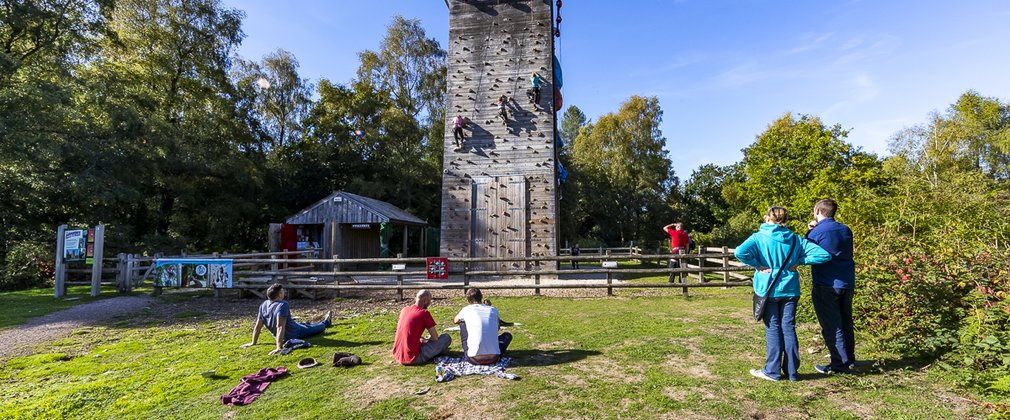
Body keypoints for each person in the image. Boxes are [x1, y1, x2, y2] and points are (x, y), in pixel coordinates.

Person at [735, 206, 831, 382]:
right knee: (788, 328)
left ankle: (772, 371)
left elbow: (739, 252)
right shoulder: (795, 239)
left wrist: (757, 265)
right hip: (790, 289)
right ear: (785, 220)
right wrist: (799, 261)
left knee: (773, 329)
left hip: (768, 288)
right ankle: (792, 371)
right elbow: (823, 255)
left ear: (767, 218)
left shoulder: (758, 237)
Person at [806, 199, 857, 374]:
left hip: (826, 282)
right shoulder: (845, 229)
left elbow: (807, 250)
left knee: (831, 325)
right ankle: (848, 359)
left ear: (817, 211)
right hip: (847, 281)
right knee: (845, 322)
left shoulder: (817, 232)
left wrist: (810, 230)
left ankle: (839, 364)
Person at [241, 284, 332, 355]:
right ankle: (326, 322)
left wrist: (253, 342)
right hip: (294, 332)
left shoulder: (263, 304)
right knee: (319, 327)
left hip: (290, 328)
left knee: (301, 324)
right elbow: (280, 326)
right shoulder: (282, 305)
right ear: (279, 295)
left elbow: (258, 326)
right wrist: (279, 347)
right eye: (283, 291)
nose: (284, 292)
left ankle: (306, 323)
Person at [453, 288, 512, 365]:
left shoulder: (466, 310)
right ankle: (491, 348)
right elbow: (497, 328)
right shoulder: (492, 309)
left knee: (462, 322)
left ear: (468, 300)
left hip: (473, 359)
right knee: (507, 336)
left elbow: (455, 320)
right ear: (481, 297)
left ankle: (472, 348)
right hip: (494, 358)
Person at [392, 290, 452, 365]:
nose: (430, 303)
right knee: (446, 338)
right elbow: (435, 338)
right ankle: (439, 350)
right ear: (425, 301)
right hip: (414, 357)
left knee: (424, 338)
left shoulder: (404, 310)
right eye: (430, 301)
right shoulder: (424, 313)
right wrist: (428, 340)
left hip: (398, 354)